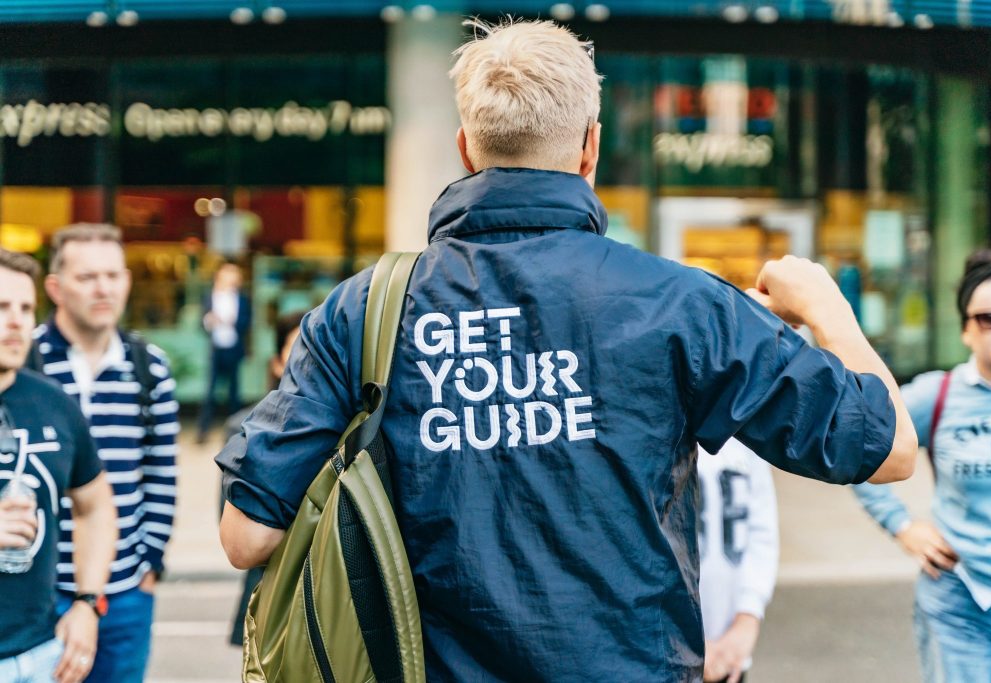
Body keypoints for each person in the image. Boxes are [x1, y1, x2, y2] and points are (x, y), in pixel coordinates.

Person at [217, 19, 917, 681]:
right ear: (590, 148)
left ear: (466, 147)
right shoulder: (679, 303)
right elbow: (887, 449)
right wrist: (826, 308)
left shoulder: (363, 310)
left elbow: (247, 536)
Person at [853, 246, 991, 683]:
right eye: (990, 318)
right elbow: (859, 449)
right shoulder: (936, 395)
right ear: (966, 330)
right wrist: (902, 525)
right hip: (961, 598)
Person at [34, 225, 180, 683]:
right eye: (88, 277)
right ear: (55, 288)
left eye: (113, 275)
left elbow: (160, 475)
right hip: (39, 592)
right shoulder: (26, 363)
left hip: (125, 595)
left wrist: (148, 564)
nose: (104, 288)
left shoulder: (149, 367)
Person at [0, 249, 117, 683]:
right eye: (2, 307)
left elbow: (96, 507)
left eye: (25, 308)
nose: (16, 321)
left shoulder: (53, 403)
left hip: (39, 656)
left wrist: (88, 603)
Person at [221, 312, 303, 647]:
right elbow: (235, 525)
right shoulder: (245, 429)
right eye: (297, 350)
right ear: (276, 363)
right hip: (270, 593)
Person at [698, 440, 778, 683]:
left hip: (729, 647)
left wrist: (748, 617)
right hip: (660, 650)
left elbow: (761, 530)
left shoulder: (746, 438)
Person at [197, 261, 251, 443]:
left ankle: (237, 431)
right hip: (216, 349)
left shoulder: (242, 298)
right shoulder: (209, 296)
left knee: (234, 393)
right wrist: (209, 320)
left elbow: (246, 322)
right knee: (209, 392)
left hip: (234, 348)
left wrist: (231, 321)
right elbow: (202, 322)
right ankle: (203, 431)